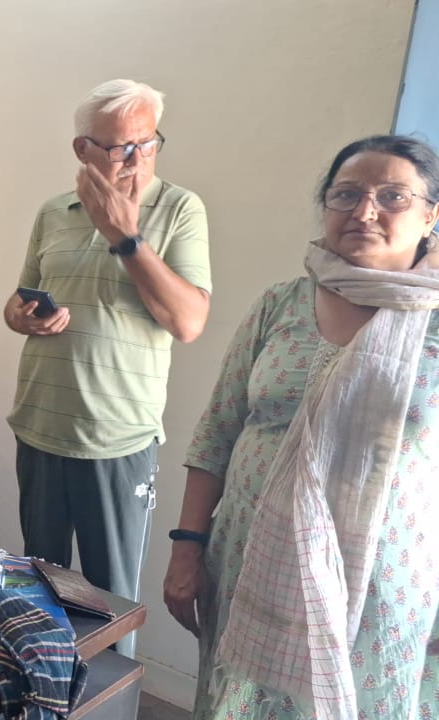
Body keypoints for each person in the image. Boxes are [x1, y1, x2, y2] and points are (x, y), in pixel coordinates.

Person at [164, 135, 439, 719]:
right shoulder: (280, 304)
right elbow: (217, 431)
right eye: (347, 194)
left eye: (393, 196)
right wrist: (187, 547)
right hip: (247, 565)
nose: (365, 211)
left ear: (430, 215)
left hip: (383, 589)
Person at [3, 79, 212, 656]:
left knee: (110, 608)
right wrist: (20, 316)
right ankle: (42, 689)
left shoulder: (180, 209)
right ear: (83, 150)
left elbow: (189, 321)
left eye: (148, 143)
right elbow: (18, 299)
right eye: (121, 147)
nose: (137, 159)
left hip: (117, 440)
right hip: (40, 426)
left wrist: (125, 233)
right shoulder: (53, 212)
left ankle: (109, 699)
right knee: (38, 594)